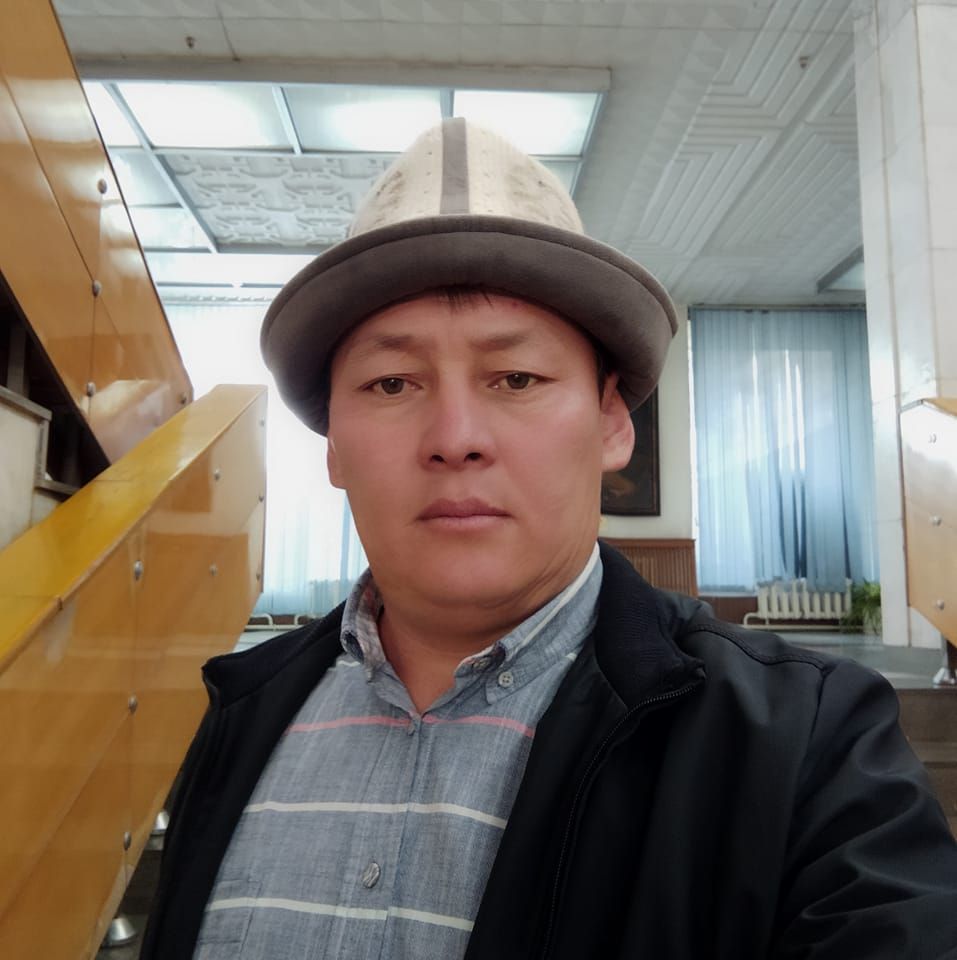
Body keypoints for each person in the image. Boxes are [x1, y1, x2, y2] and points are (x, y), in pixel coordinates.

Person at [142, 119, 957, 960]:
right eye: (390, 383)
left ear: (611, 424)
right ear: (333, 449)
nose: (455, 438)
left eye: (515, 377)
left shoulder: (806, 737)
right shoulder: (241, 708)